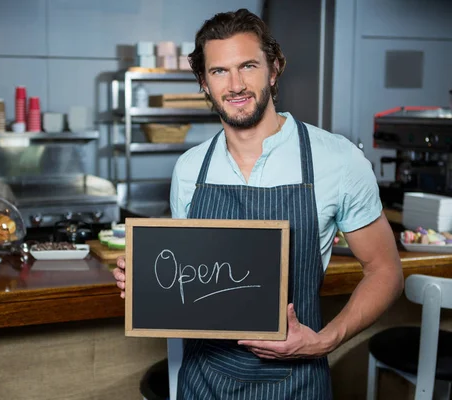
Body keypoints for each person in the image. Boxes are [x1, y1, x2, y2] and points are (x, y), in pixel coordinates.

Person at [113, 8, 403, 399]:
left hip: (296, 382)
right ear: (203, 81)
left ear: (274, 68)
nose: (235, 85)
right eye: (218, 71)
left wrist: (325, 340)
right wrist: (146, 280)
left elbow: (385, 271)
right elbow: (191, 280)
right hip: (202, 382)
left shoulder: (337, 160)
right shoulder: (190, 169)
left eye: (247, 65)